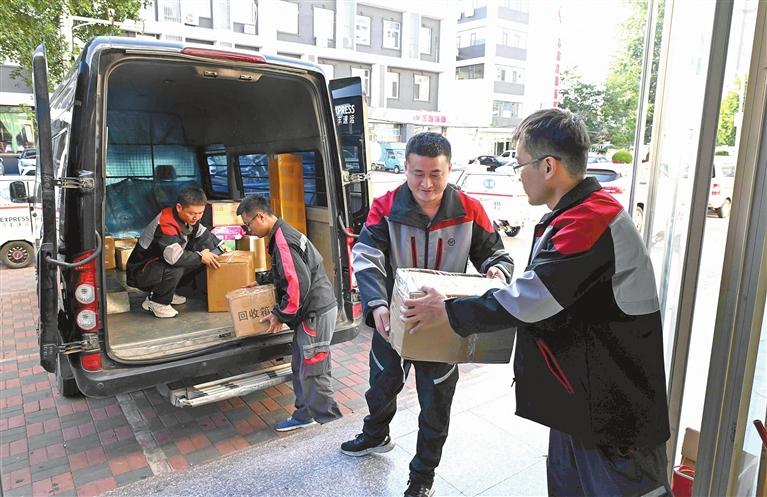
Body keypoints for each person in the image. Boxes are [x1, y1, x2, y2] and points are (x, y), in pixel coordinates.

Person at [403, 109, 672, 496]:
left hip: (615, 414)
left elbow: (532, 299)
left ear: (548, 167)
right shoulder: (574, 214)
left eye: (519, 164)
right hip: (582, 402)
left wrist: (446, 311)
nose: (518, 174)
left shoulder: (591, 220)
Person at [341, 132, 514, 497]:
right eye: (418, 173)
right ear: (405, 167)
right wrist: (376, 304)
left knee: (436, 403)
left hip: (443, 321)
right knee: (382, 384)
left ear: (449, 169)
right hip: (394, 318)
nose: (427, 183)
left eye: (436, 173)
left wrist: (497, 271)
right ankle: (375, 434)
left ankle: (423, 475)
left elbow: (496, 254)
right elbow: (367, 256)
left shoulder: (469, 209)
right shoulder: (386, 206)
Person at [236, 194, 342, 432]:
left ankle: (333, 427)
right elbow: (287, 271)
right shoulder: (280, 235)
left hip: (315, 312)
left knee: (314, 371)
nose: (248, 230)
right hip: (309, 312)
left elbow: (297, 286)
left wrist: (280, 314)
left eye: (248, 224)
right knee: (300, 365)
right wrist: (262, 280)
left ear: (260, 216)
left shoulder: (284, 240)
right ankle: (304, 415)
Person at [126, 186, 224, 318]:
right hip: (141, 271)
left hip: (158, 265)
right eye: (192, 213)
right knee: (180, 264)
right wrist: (201, 256)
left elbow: (203, 235)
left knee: (201, 257)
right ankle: (157, 301)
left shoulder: (190, 219)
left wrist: (220, 247)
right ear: (179, 207)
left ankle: (170, 292)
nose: (196, 217)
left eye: (200, 213)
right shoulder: (165, 223)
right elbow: (174, 258)